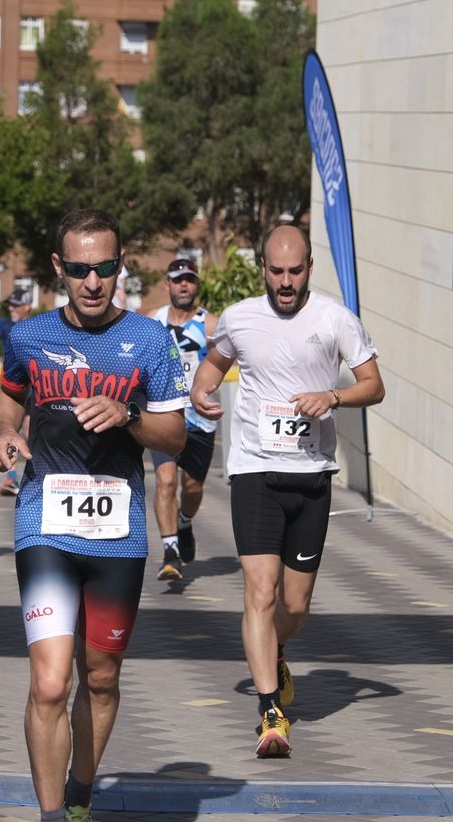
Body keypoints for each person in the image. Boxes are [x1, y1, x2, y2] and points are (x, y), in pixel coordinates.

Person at [0, 208, 187, 822]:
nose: (93, 282)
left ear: (120, 265)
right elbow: (8, 395)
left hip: (117, 532)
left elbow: (176, 436)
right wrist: (4, 436)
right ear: (60, 269)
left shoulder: (151, 341)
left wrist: (128, 416)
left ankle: (79, 792)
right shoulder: (29, 337)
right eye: (79, 270)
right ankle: (52, 816)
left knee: (100, 679)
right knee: (50, 683)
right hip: (44, 522)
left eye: (104, 268)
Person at [190, 224, 384, 758]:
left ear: (310, 268)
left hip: (311, 475)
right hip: (254, 471)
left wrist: (334, 397)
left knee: (294, 606)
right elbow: (212, 367)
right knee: (260, 591)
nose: (285, 281)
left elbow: (375, 384)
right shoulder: (239, 318)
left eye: (294, 271)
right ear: (263, 271)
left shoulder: (335, 320)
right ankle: (271, 711)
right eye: (276, 272)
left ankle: (275, 650)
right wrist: (200, 392)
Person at [149, 258, 218, 581]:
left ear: (197, 284)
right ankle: (170, 552)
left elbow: (228, 362)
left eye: (189, 279)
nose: (184, 285)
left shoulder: (210, 325)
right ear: (168, 285)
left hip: (199, 420)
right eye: (177, 280)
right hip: (163, 415)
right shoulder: (153, 321)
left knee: (192, 487)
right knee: (164, 482)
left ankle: (185, 521)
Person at [0, 287, 35, 495]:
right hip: (14, 391)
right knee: (9, 435)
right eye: (10, 304)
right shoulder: (6, 326)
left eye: (16, 305)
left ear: (27, 306)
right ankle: (12, 478)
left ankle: (34, 479)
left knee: (30, 436)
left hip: (35, 393)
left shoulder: (37, 328)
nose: (11, 308)